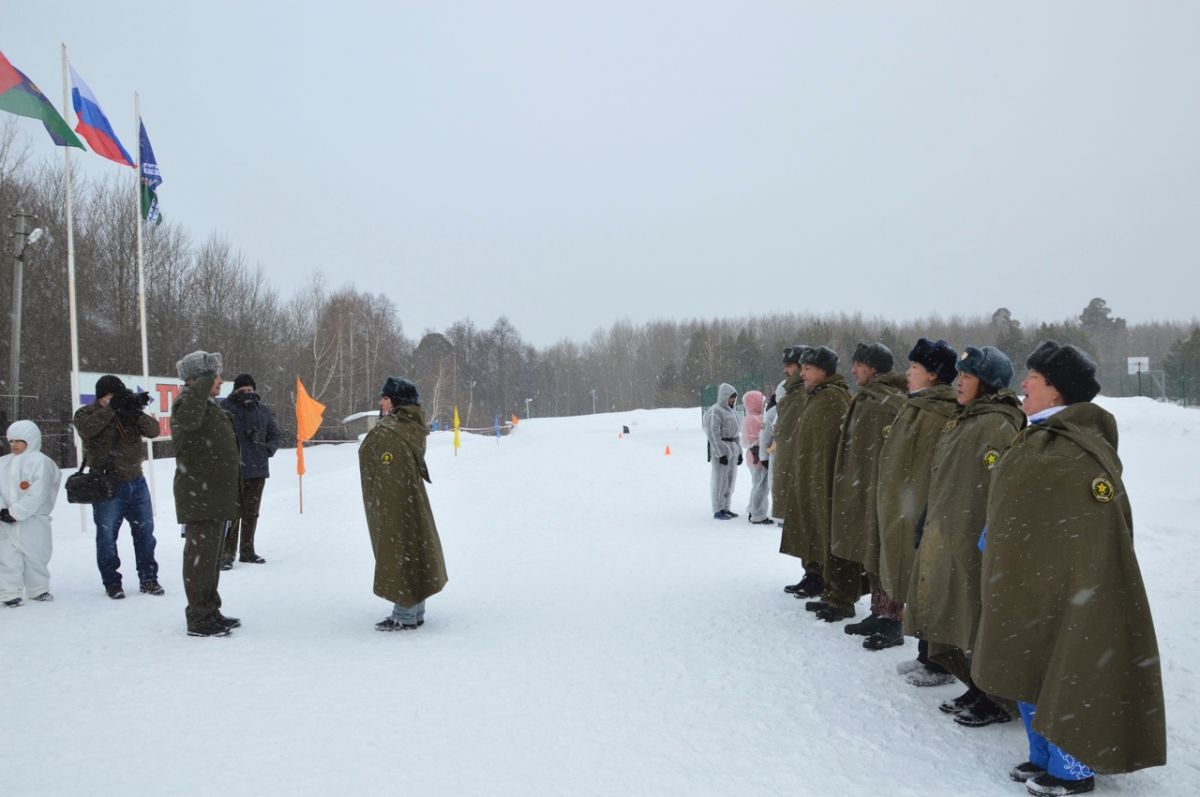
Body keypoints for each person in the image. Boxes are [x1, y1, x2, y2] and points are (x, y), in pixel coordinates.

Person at [973, 341, 1165, 796]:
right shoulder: (1038, 436)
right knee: (1029, 659)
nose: (1023, 384)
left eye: (1033, 379)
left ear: (1056, 393)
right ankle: (1042, 755)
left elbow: (1091, 529)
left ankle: (1072, 770)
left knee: (1068, 666)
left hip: (1066, 584)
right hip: (1028, 579)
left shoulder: (1073, 449)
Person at [902, 346, 1024, 726]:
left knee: (979, 616)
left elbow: (999, 485)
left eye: (967, 377)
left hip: (976, 537)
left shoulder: (996, 425)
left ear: (986, 384)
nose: (958, 383)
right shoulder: (969, 419)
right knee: (961, 613)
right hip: (952, 530)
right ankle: (978, 685)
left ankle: (996, 696)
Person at [870, 338, 958, 665]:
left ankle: (935, 657)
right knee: (910, 576)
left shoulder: (939, 411)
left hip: (920, 511)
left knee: (926, 582)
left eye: (915, 368)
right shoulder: (916, 405)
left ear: (933, 375)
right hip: (903, 508)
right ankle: (925, 652)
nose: (908, 373)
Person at [829, 343, 907, 636]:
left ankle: (893, 619)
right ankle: (879, 611)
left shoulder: (886, 403)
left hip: (882, 490)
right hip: (865, 486)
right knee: (871, 552)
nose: (853, 370)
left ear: (873, 368)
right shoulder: (868, 398)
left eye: (859, 364)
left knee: (884, 553)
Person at [359, 377, 448, 631]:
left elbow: (382, 462)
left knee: (399, 549)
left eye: (385, 398)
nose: (380, 402)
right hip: (406, 500)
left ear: (397, 402)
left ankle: (405, 614)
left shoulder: (393, 431)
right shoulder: (409, 426)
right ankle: (415, 610)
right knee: (413, 544)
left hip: (395, 502)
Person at [73, 374, 163, 599]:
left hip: (136, 481)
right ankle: (112, 583)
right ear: (101, 396)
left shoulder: (129, 412)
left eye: (117, 395)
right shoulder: (87, 413)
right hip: (107, 484)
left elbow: (154, 431)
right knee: (106, 538)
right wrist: (111, 410)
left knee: (145, 534)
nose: (116, 399)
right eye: (111, 395)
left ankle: (149, 578)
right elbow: (86, 429)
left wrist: (134, 411)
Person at [172, 351, 242, 637]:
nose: (221, 381)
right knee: (199, 559)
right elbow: (189, 420)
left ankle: (210, 610)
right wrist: (203, 380)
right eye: (215, 376)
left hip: (214, 495)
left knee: (211, 559)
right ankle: (199, 618)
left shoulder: (207, 404)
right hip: (200, 495)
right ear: (200, 378)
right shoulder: (187, 402)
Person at [787, 346, 854, 622]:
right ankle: (827, 589)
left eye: (807, 369)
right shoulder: (815, 396)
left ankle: (839, 595)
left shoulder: (834, 398)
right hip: (813, 480)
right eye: (801, 368)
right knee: (817, 534)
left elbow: (834, 446)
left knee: (830, 536)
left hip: (827, 483)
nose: (802, 374)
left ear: (824, 371)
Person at [218, 373, 280, 570]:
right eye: (243, 389)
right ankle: (227, 554)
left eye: (250, 389)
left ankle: (247, 550)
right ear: (236, 390)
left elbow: (274, 434)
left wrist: (268, 448)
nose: (247, 393)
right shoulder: (226, 408)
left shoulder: (263, 411)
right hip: (234, 469)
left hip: (258, 468)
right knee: (233, 513)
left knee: (252, 513)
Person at [0, 421, 62, 606]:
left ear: (31, 439)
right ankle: (9, 592)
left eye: (19, 440)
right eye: (11, 441)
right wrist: (4, 510)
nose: (14, 445)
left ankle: (38, 589)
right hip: (5, 520)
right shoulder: (3, 463)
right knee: (6, 556)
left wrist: (17, 512)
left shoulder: (41, 462)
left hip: (34, 520)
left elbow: (39, 492)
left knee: (36, 555)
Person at [774, 346, 812, 594]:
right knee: (801, 524)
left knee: (809, 525)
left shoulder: (804, 396)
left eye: (791, 366)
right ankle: (810, 571)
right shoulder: (793, 393)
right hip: (791, 466)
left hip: (803, 469)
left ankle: (816, 573)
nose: (786, 370)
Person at [704, 383, 742, 520]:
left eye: (734, 398)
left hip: (732, 449)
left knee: (730, 480)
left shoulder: (732, 412)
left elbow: (737, 433)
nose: (732, 401)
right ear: (724, 397)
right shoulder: (716, 411)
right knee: (720, 480)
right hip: (722, 450)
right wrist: (720, 453)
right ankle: (718, 508)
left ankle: (726, 507)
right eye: (731, 398)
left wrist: (740, 453)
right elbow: (713, 433)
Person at [740, 389, 772, 525]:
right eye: (761, 402)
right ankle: (758, 515)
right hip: (759, 456)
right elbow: (760, 439)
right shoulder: (756, 419)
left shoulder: (750, 418)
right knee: (761, 486)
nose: (763, 405)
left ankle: (753, 509)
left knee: (757, 484)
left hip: (754, 456)